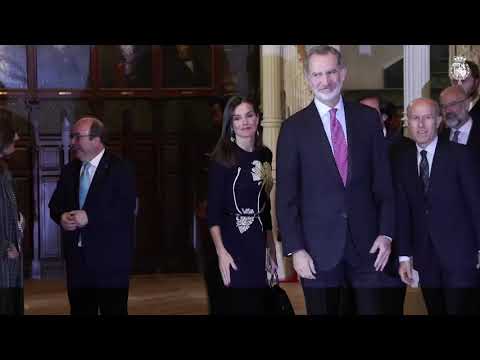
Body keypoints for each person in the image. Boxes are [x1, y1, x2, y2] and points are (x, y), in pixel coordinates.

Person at [276, 45, 395, 315]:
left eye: (331, 72)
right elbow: (286, 199)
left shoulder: (368, 120)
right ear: (308, 78)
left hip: (368, 249)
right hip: (316, 252)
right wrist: (296, 250)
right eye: (317, 74)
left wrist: (386, 234)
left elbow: (384, 185)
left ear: (342, 73)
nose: (325, 81)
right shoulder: (293, 129)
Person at [394, 98, 480, 315]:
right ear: (408, 123)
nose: (421, 124)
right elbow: (403, 212)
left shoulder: (460, 155)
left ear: (439, 121)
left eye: (427, 118)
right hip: (425, 258)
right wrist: (404, 256)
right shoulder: (402, 161)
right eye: (415, 118)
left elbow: (475, 203)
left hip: (460, 256)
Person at [49, 116, 136, 316]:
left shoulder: (120, 169)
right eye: (72, 138)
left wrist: (90, 217)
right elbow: (54, 205)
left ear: (96, 140)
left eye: (77, 137)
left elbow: (125, 209)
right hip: (78, 265)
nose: (72, 143)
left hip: (111, 265)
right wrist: (61, 217)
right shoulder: (69, 170)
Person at [207, 95, 277, 314]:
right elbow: (213, 213)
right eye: (237, 118)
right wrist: (221, 253)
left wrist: (271, 251)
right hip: (232, 243)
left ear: (257, 118)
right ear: (230, 123)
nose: (244, 122)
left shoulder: (265, 154)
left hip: (258, 241)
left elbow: (265, 208)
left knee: (261, 305)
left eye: (249, 115)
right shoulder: (222, 158)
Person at [195, 96, 227, 314]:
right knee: (212, 265)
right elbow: (199, 175)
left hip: (230, 215)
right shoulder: (206, 139)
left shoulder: (235, 143)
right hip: (209, 212)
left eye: (217, 113)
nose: (214, 118)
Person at [0, 108, 24, 315]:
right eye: (12, 132)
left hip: (9, 269)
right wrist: (3, 247)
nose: (17, 136)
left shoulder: (4, 170)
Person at [439, 85, 480, 155]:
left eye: (453, 104)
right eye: (443, 106)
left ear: (467, 104)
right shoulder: (438, 138)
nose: (447, 110)